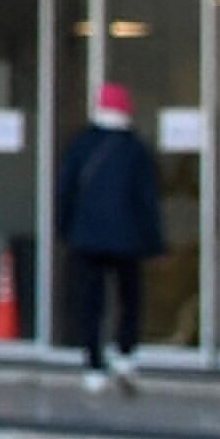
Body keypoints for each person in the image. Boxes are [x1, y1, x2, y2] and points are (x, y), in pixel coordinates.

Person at [55, 83, 165, 393]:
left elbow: (65, 191)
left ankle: (93, 365)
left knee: (91, 302)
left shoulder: (81, 145)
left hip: (87, 238)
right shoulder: (136, 149)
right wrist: (154, 243)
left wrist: (64, 230)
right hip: (127, 239)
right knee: (129, 298)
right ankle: (124, 352)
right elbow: (147, 201)